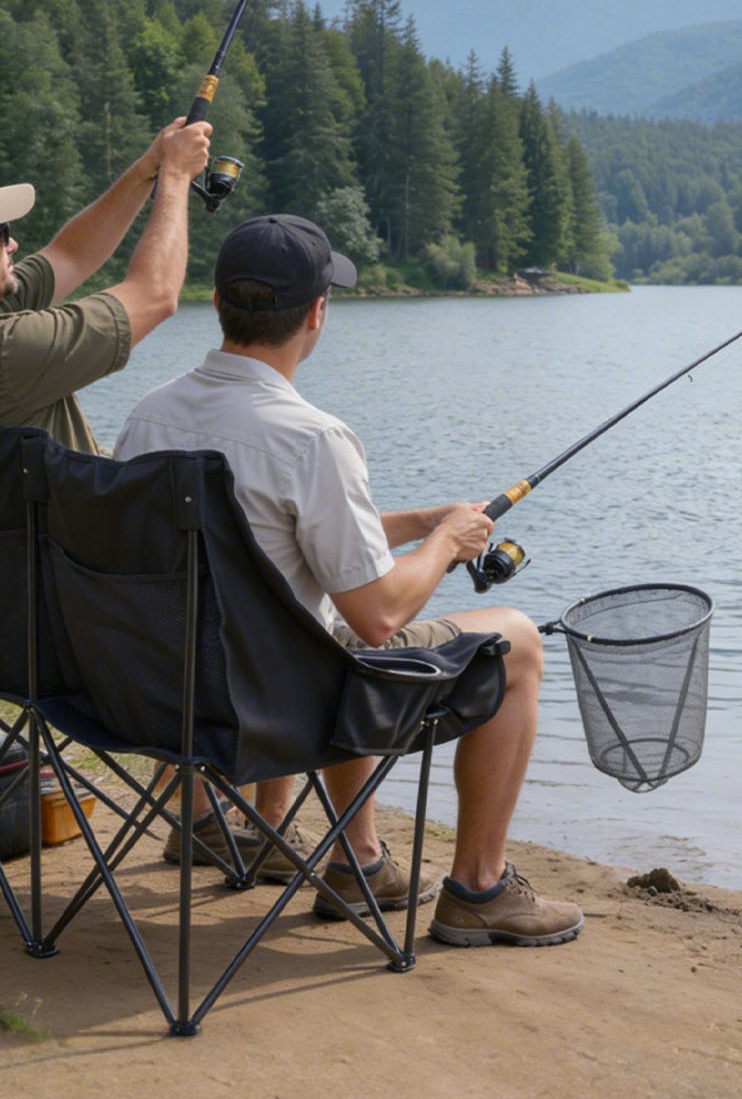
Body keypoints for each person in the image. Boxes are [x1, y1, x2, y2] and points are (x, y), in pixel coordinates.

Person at [115, 213, 584, 948]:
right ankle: (480, 888)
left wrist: (420, 521)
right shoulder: (313, 438)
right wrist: (446, 542)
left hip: (160, 695)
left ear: (216, 300)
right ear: (316, 314)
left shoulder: (152, 415)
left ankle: (356, 857)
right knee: (517, 642)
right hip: (274, 711)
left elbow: (265, 531)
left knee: (318, 620)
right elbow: (380, 617)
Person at [0, 116, 211, 453]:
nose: (13, 244)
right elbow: (155, 295)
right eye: (1, 234)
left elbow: (70, 255)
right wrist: (177, 176)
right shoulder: (6, 355)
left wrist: (148, 168)